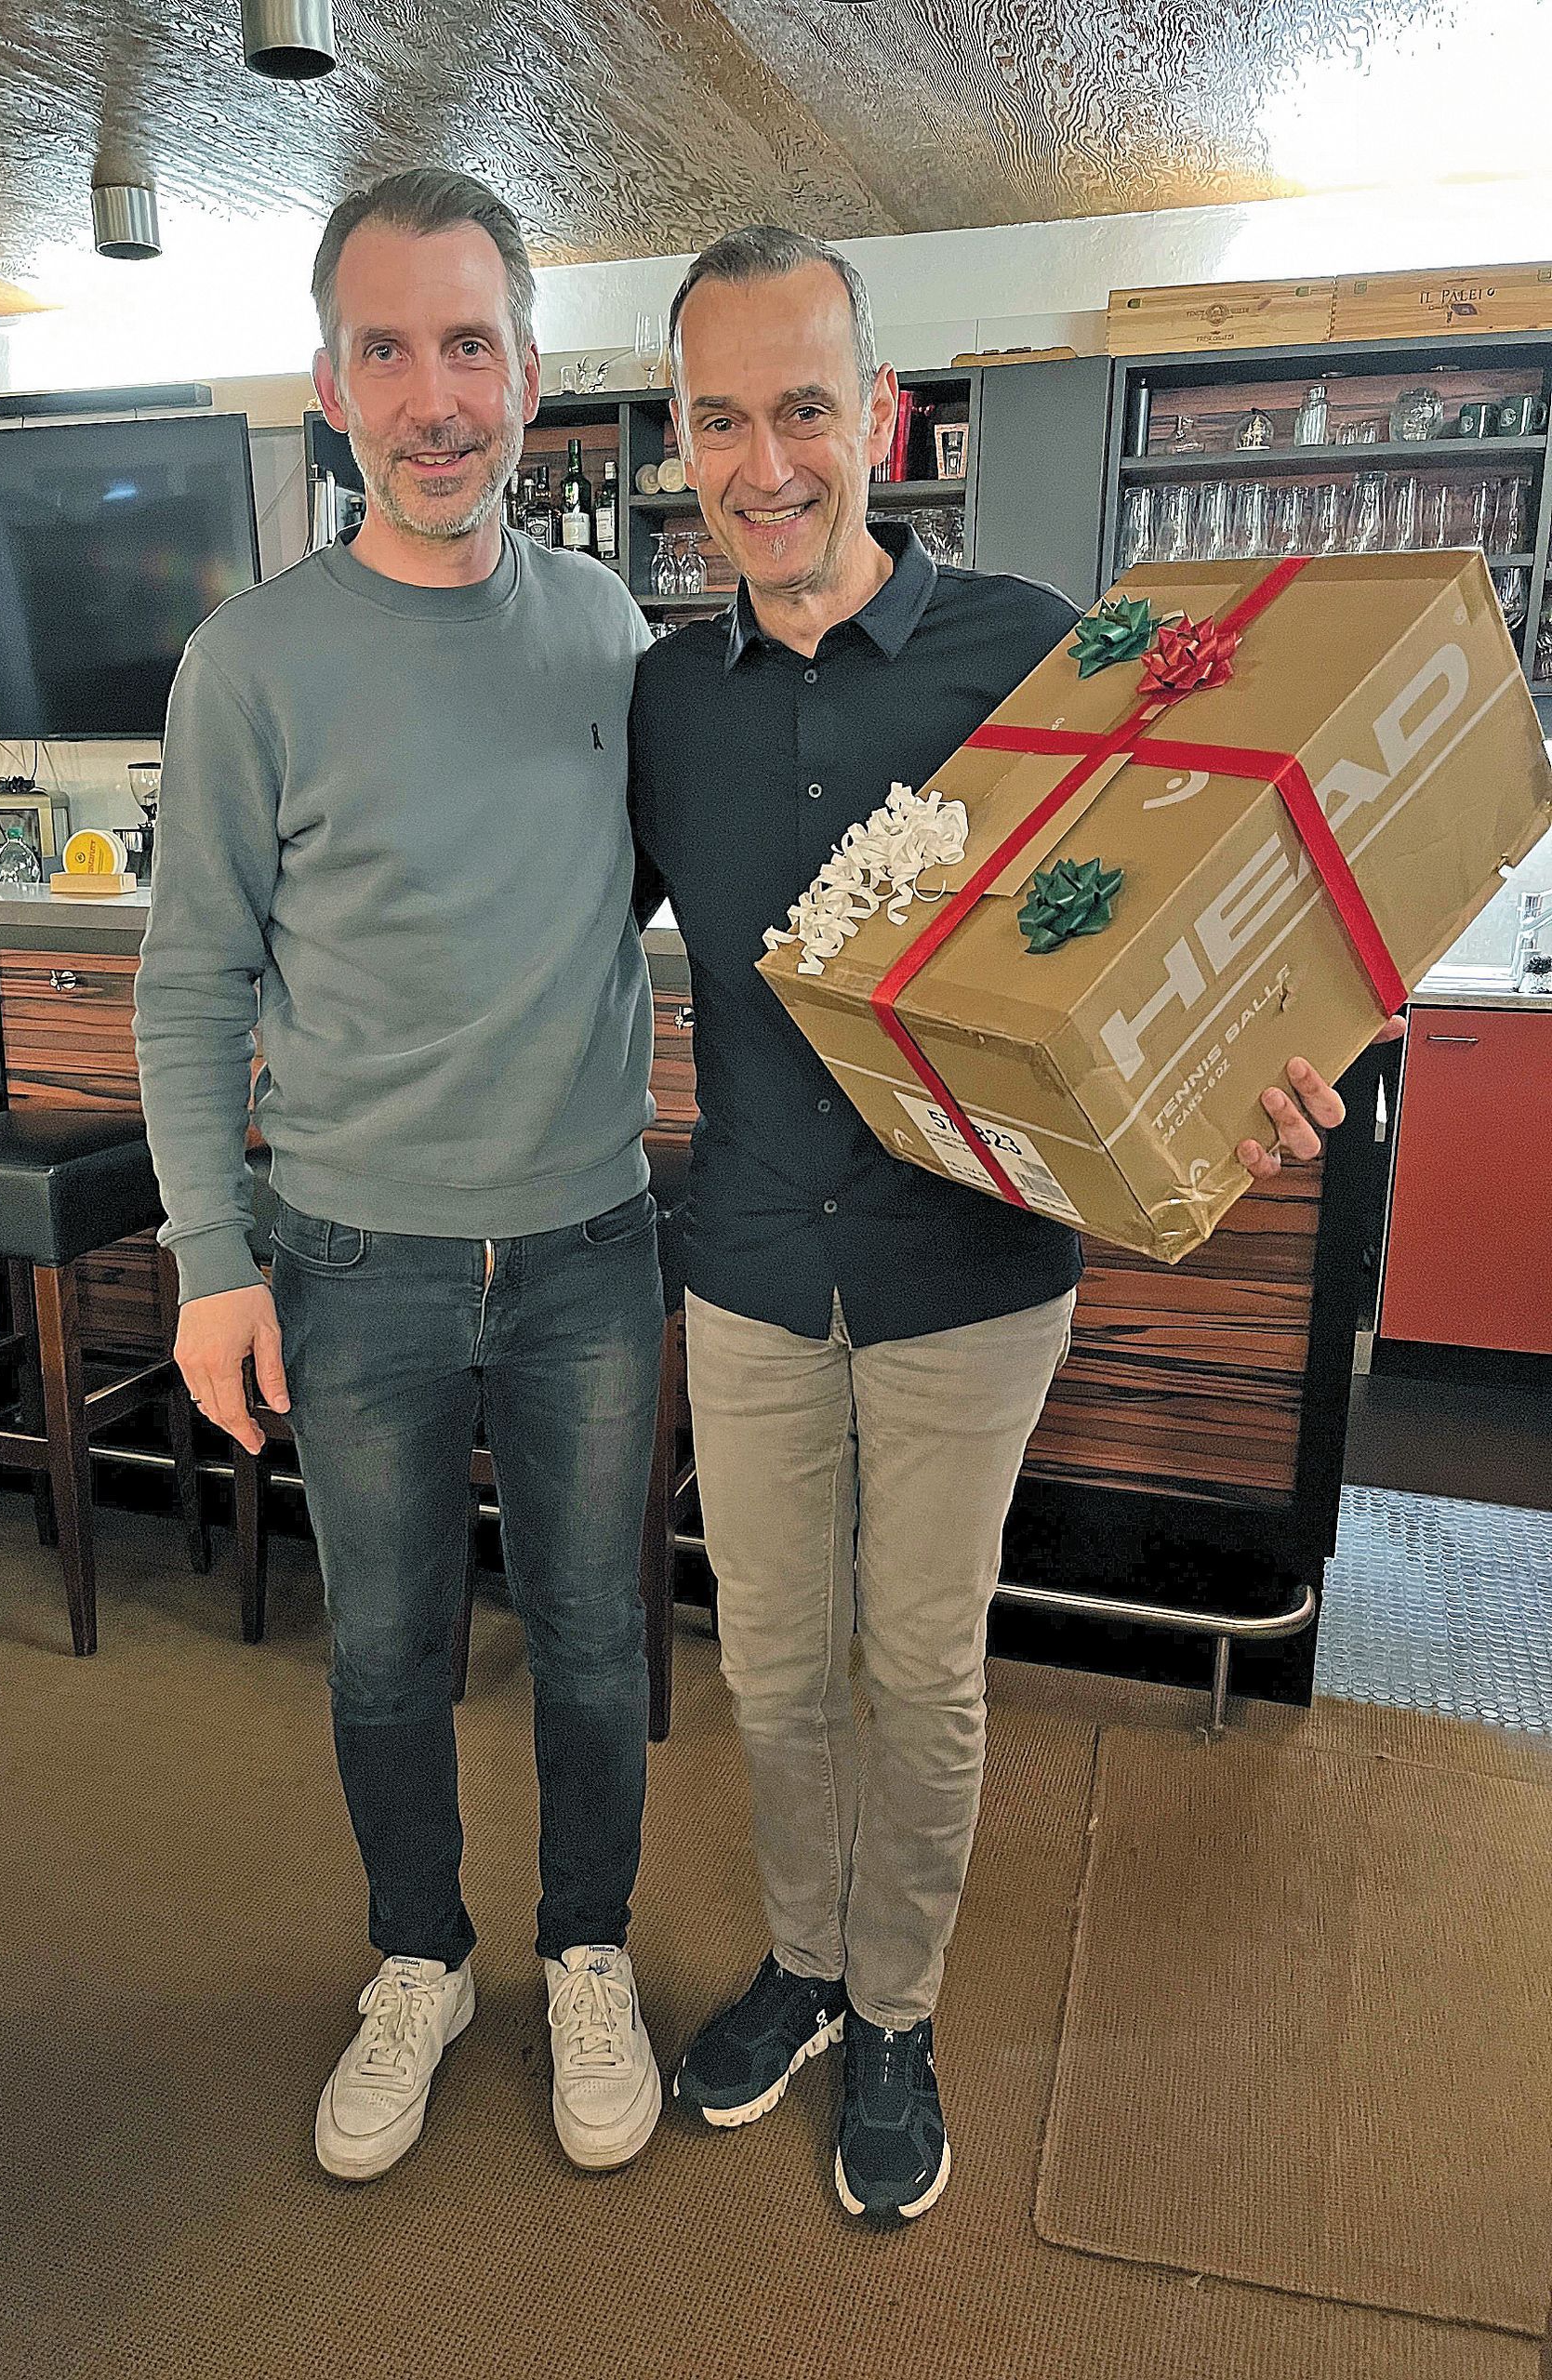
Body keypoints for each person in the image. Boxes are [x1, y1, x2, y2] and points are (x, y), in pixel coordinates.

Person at [630, 226, 1383, 2224]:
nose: (766, 464)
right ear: (683, 441)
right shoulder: (660, 703)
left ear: (880, 417)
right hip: (751, 1259)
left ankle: (895, 2008)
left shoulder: (1045, 654)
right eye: (722, 420)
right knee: (773, 1663)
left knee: (922, 1668)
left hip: (969, 1271)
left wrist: (1266, 1068)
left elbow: (1197, 902)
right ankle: (805, 1966)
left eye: (805, 410)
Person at [134, 170, 666, 2186]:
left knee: (599, 1643)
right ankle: (420, 1958)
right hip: (353, 1259)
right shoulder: (250, 664)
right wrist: (212, 1255)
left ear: (529, 372)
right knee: (383, 1653)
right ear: (330, 382)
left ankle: (588, 1946)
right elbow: (191, 983)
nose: (432, 396)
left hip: (592, 1245)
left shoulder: (606, 629)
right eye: (387, 350)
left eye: (468, 346)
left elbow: (645, 897)